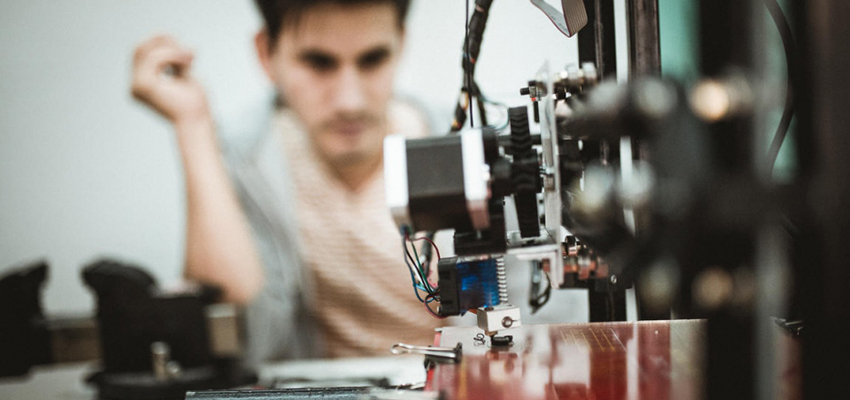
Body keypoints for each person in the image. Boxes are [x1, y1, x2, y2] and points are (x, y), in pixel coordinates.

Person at [130, 0, 442, 363]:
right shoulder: (245, 156)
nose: (349, 101)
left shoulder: (468, 146)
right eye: (318, 63)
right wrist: (193, 127)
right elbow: (236, 337)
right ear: (266, 54)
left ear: (401, 43)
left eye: (372, 60)